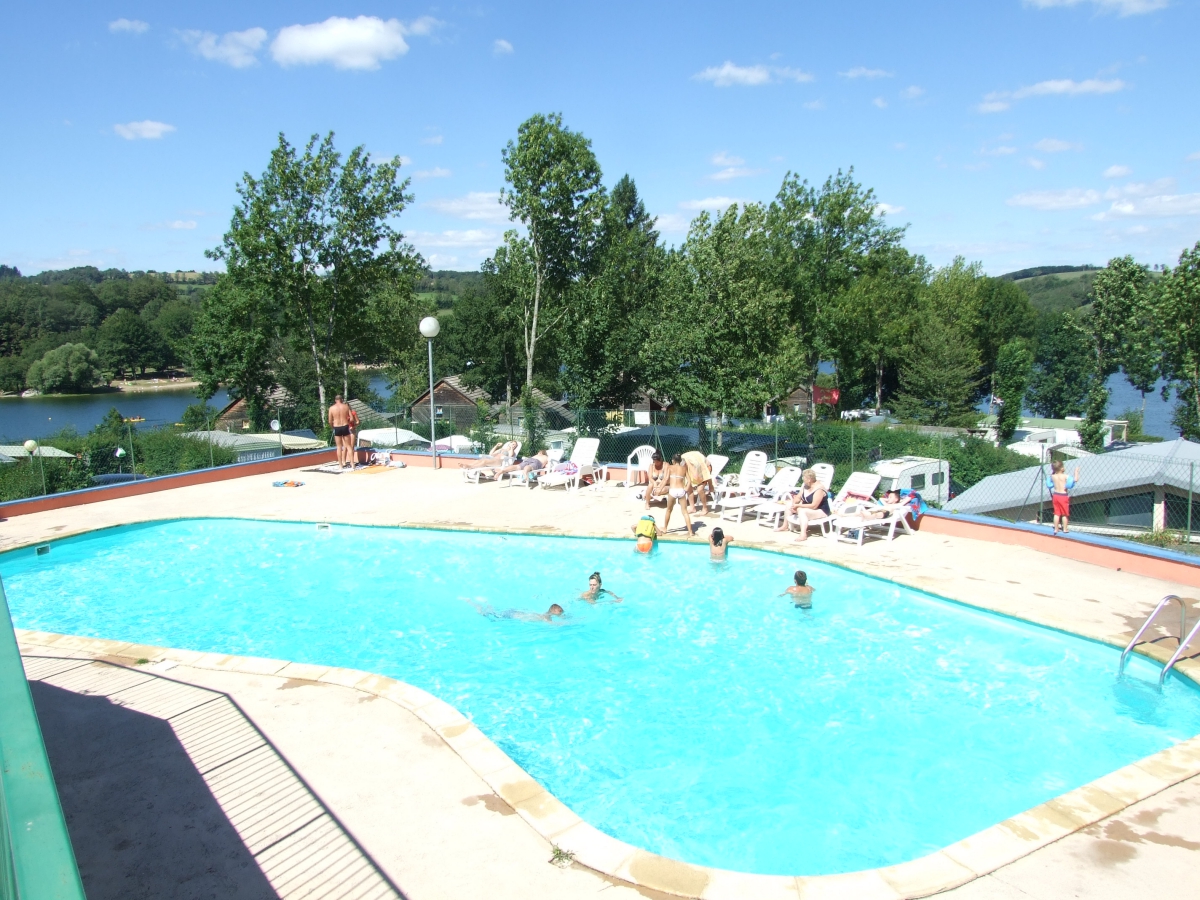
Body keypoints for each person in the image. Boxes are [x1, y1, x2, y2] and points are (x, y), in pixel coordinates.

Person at [779, 469, 831, 540]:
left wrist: (798, 506)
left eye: (803, 477)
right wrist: (794, 504)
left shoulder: (819, 489)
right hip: (807, 508)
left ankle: (803, 534)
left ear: (809, 479)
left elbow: (814, 506)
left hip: (821, 511)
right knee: (789, 504)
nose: (802, 479)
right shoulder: (805, 485)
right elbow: (798, 497)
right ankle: (785, 526)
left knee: (802, 511)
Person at [662, 453, 695, 538]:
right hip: (681, 490)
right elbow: (689, 481)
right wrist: (686, 488)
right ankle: (690, 531)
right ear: (680, 461)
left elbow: (665, 479)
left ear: (673, 460)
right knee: (685, 512)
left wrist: (659, 488)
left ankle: (665, 528)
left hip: (673, 490)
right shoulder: (684, 468)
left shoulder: (669, 467)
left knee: (669, 510)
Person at [1046, 461, 1081, 534]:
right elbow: (1075, 479)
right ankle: (1065, 529)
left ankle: (1056, 529)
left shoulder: (1052, 476)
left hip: (1056, 495)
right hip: (1063, 496)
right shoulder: (1065, 476)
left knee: (1056, 513)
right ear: (1062, 468)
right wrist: (1076, 472)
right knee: (1064, 514)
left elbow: (1049, 484)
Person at [681, 450, 714, 514]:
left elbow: (699, 476)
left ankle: (705, 508)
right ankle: (692, 508)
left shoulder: (694, 464)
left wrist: (709, 484)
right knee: (689, 487)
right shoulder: (680, 461)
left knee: (700, 489)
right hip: (692, 463)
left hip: (706, 467)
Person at [329, 395, 354, 469]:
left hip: (337, 427)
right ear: (341, 400)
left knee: (339, 447)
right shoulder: (346, 406)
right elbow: (352, 418)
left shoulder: (331, 408)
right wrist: (347, 422)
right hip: (345, 426)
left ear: (335, 400)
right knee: (349, 446)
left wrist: (332, 427)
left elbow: (330, 421)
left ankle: (340, 465)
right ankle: (352, 464)